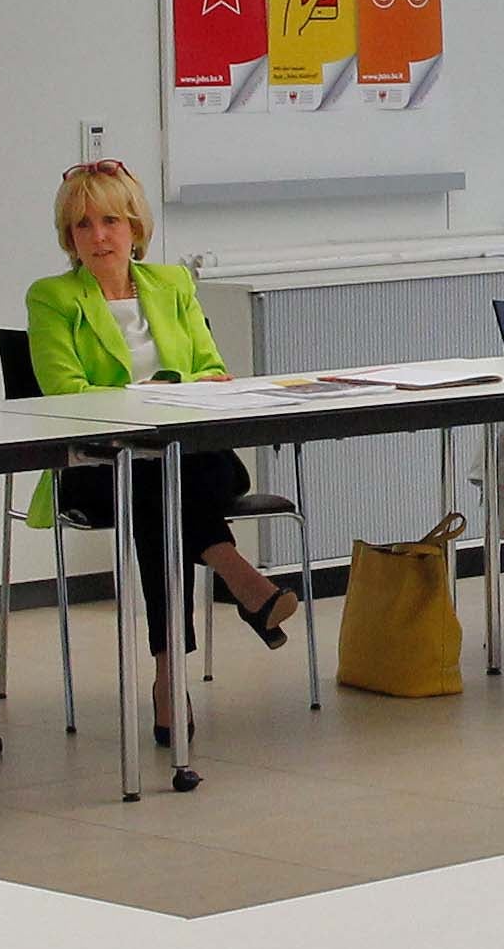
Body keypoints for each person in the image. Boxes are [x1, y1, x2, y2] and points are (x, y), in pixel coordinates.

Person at [22, 160, 300, 741]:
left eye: (110, 221)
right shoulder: (52, 298)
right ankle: (230, 585)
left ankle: (169, 672)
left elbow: (212, 368)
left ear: (135, 227)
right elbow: (64, 393)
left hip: (193, 459)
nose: (98, 237)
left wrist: (189, 390)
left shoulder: (172, 284)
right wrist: (149, 396)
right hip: (97, 463)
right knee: (151, 488)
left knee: (163, 486)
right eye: (82, 226)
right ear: (68, 238)